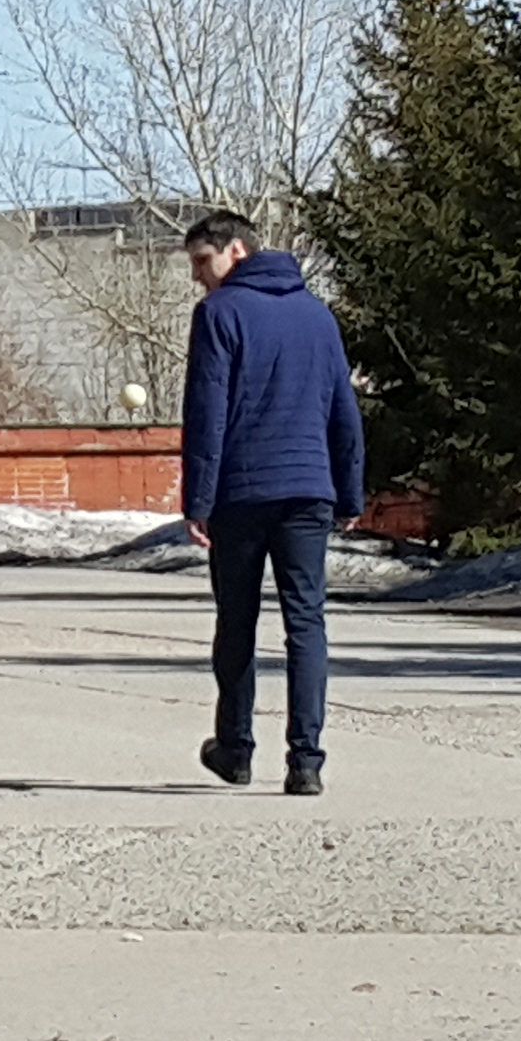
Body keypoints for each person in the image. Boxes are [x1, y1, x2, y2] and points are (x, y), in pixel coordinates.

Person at [176, 210, 368, 798]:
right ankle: (305, 761)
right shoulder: (318, 315)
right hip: (309, 490)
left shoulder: (219, 314)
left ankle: (235, 749)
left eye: (202, 262)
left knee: (238, 621)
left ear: (236, 250)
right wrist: (350, 489)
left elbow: (208, 414)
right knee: (306, 622)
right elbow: (344, 410)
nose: (197, 278)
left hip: (241, 493)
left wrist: (197, 499)